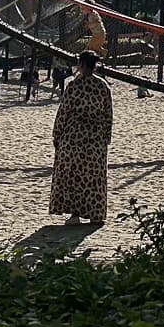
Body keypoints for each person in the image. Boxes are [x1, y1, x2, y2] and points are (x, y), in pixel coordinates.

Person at [51, 49, 113, 223]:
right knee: (95, 176)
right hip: (96, 137)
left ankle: (75, 214)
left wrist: (57, 134)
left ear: (81, 65)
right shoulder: (102, 86)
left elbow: (63, 112)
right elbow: (108, 115)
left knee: (74, 175)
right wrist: (106, 137)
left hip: (74, 136)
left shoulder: (74, 85)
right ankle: (96, 214)